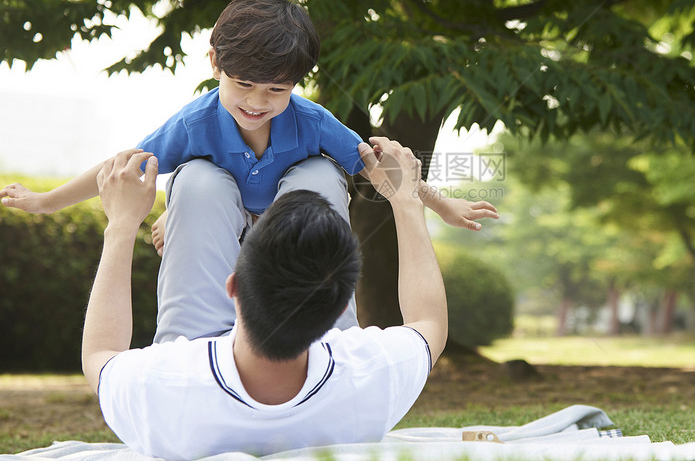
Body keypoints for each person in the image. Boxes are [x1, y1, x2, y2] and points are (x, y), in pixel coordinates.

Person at [0, 0, 497, 326]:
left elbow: (383, 169)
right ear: (215, 62)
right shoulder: (194, 123)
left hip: (288, 226)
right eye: (244, 84)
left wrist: (443, 204)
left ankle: (333, 335)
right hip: (222, 224)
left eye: (276, 89)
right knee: (194, 178)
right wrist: (46, 201)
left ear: (297, 84)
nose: (258, 101)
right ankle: (195, 335)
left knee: (323, 173)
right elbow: (121, 169)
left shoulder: (311, 120)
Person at [83, 137, 447, 460]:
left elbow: (100, 354)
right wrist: (407, 202)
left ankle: (221, 202)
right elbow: (428, 322)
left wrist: (121, 225)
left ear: (233, 286)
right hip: (317, 356)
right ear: (342, 309)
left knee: (198, 181)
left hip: (197, 349)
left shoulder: (162, 384)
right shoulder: (370, 372)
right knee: (320, 173)